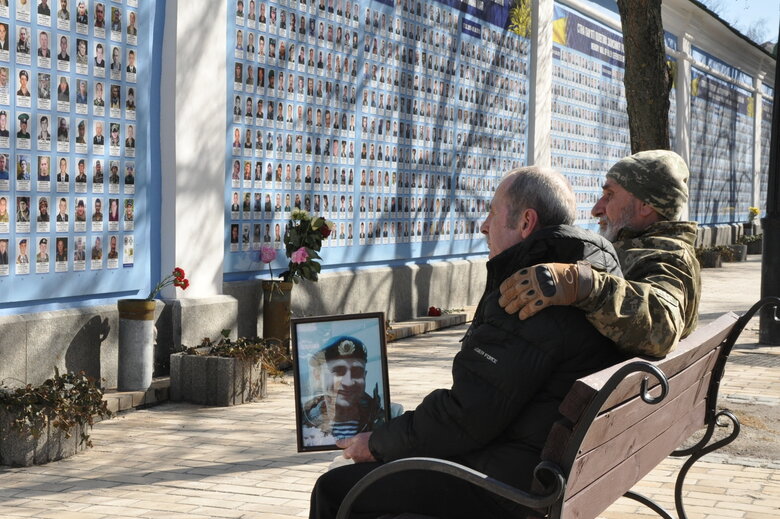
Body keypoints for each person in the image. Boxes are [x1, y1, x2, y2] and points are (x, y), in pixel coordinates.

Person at [309, 167, 624, 519]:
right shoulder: (587, 276)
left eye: (492, 212)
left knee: (338, 488)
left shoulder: (529, 295)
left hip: (509, 488)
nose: (483, 226)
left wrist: (379, 443)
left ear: (526, 222)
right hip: (544, 469)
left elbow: (466, 416)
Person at [499, 150, 701, 357]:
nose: (596, 209)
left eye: (609, 195)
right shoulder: (647, 248)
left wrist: (581, 284)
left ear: (645, 206)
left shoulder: (667, 256)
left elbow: (663, 327)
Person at [301, 336, 385, 447]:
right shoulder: (305, 423)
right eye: (338, 371)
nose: (348, 382)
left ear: (365, 377)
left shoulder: (382, 422)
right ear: (318, 375)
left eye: (357, 373)